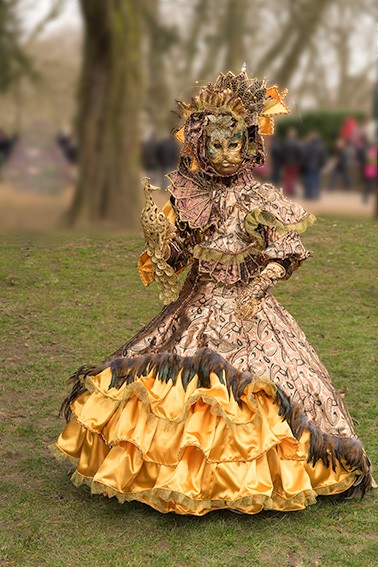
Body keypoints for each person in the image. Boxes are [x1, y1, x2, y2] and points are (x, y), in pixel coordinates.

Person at [53, 72, 372, 516]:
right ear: (200, 146)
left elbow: (284, 253)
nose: (224, 155)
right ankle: (173, 474)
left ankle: (258, 475)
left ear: (249, 146)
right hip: (196, 305)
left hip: (249, 308)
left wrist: (258, 288)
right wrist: (159, 237)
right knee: (176, 391)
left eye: (234, 144)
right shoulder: (191, 197)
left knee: (261, 391)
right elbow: (178, 257)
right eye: (215, 146)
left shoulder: (259, 198)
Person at [301, 131, 327, 200]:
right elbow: (323, 157)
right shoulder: (321, 145)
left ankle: (311, 194)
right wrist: (321, 164)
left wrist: (304, 164)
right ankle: (316, 194)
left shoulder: (309, 146)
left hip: (310, 165)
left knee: (310, 179)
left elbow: (305, 156)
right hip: (317, 166)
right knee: (317, 180)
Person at [281, 127, 302, 196]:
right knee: (293, 177)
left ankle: (287, 191)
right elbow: (299, 153)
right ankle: (292, 191)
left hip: (287, 162)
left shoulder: (285, 143)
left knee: (287, 177)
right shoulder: (297, 143)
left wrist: (283, 161)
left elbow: (283, 153)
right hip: (294, 163)